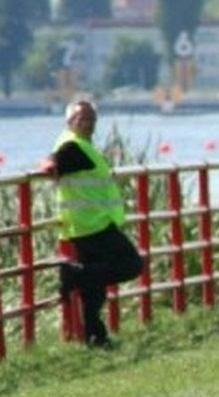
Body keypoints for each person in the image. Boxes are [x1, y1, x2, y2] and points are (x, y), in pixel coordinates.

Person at [36, 99, 143, 348]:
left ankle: (96, 337)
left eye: (93, 118)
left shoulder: (81, 145)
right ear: (71, 121)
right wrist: (48, 165)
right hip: (92, 226)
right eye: (83, 118)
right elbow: (54, 160)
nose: (89, 122)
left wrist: (50, 164)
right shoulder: (73, 145)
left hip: (87, 224)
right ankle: (74, 275)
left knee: (94, 291)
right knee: (132, 264)